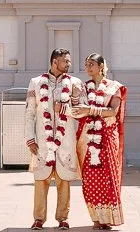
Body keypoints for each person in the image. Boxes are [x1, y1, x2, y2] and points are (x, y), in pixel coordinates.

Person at [25, 48, 84, 229]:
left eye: (69, 60)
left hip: (65, 140)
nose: (69, 64)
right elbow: (29, 113)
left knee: (64, 180)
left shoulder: (75, 83)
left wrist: (66, 107)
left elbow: (82, 112)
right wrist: (30, 139)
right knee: (40, 180)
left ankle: (63, 218)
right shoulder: (36, 83)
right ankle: (38, 219)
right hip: (42, 140)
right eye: (65, 61)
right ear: (54, 62)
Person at [74, 53, 127, 230]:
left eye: (92, 64)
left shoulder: (114, 87)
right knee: (90, 178)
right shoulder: (83, 88)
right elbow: (78, 110)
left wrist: (90, 109)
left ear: (101, 66)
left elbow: (112, 112)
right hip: (88, 138)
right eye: (86, 64)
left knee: (107, 177)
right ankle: (96, 219)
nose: (88, 68)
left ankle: (109, 218)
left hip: (107, 138)